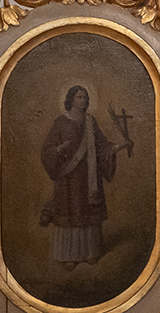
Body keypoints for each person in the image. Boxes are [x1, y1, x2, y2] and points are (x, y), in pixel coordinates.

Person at [40, 85, 129, 271]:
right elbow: (47, 150)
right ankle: (68, 256)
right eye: (80, 97)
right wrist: (59, 149)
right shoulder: (61, 122)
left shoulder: (90, 121)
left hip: (89, 177)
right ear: (71, 99)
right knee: (70, 213)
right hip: (69, 178)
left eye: (85, 97)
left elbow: (102, 144)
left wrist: (116, 147)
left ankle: (90, 253)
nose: (84, 100)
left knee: (87, 212)